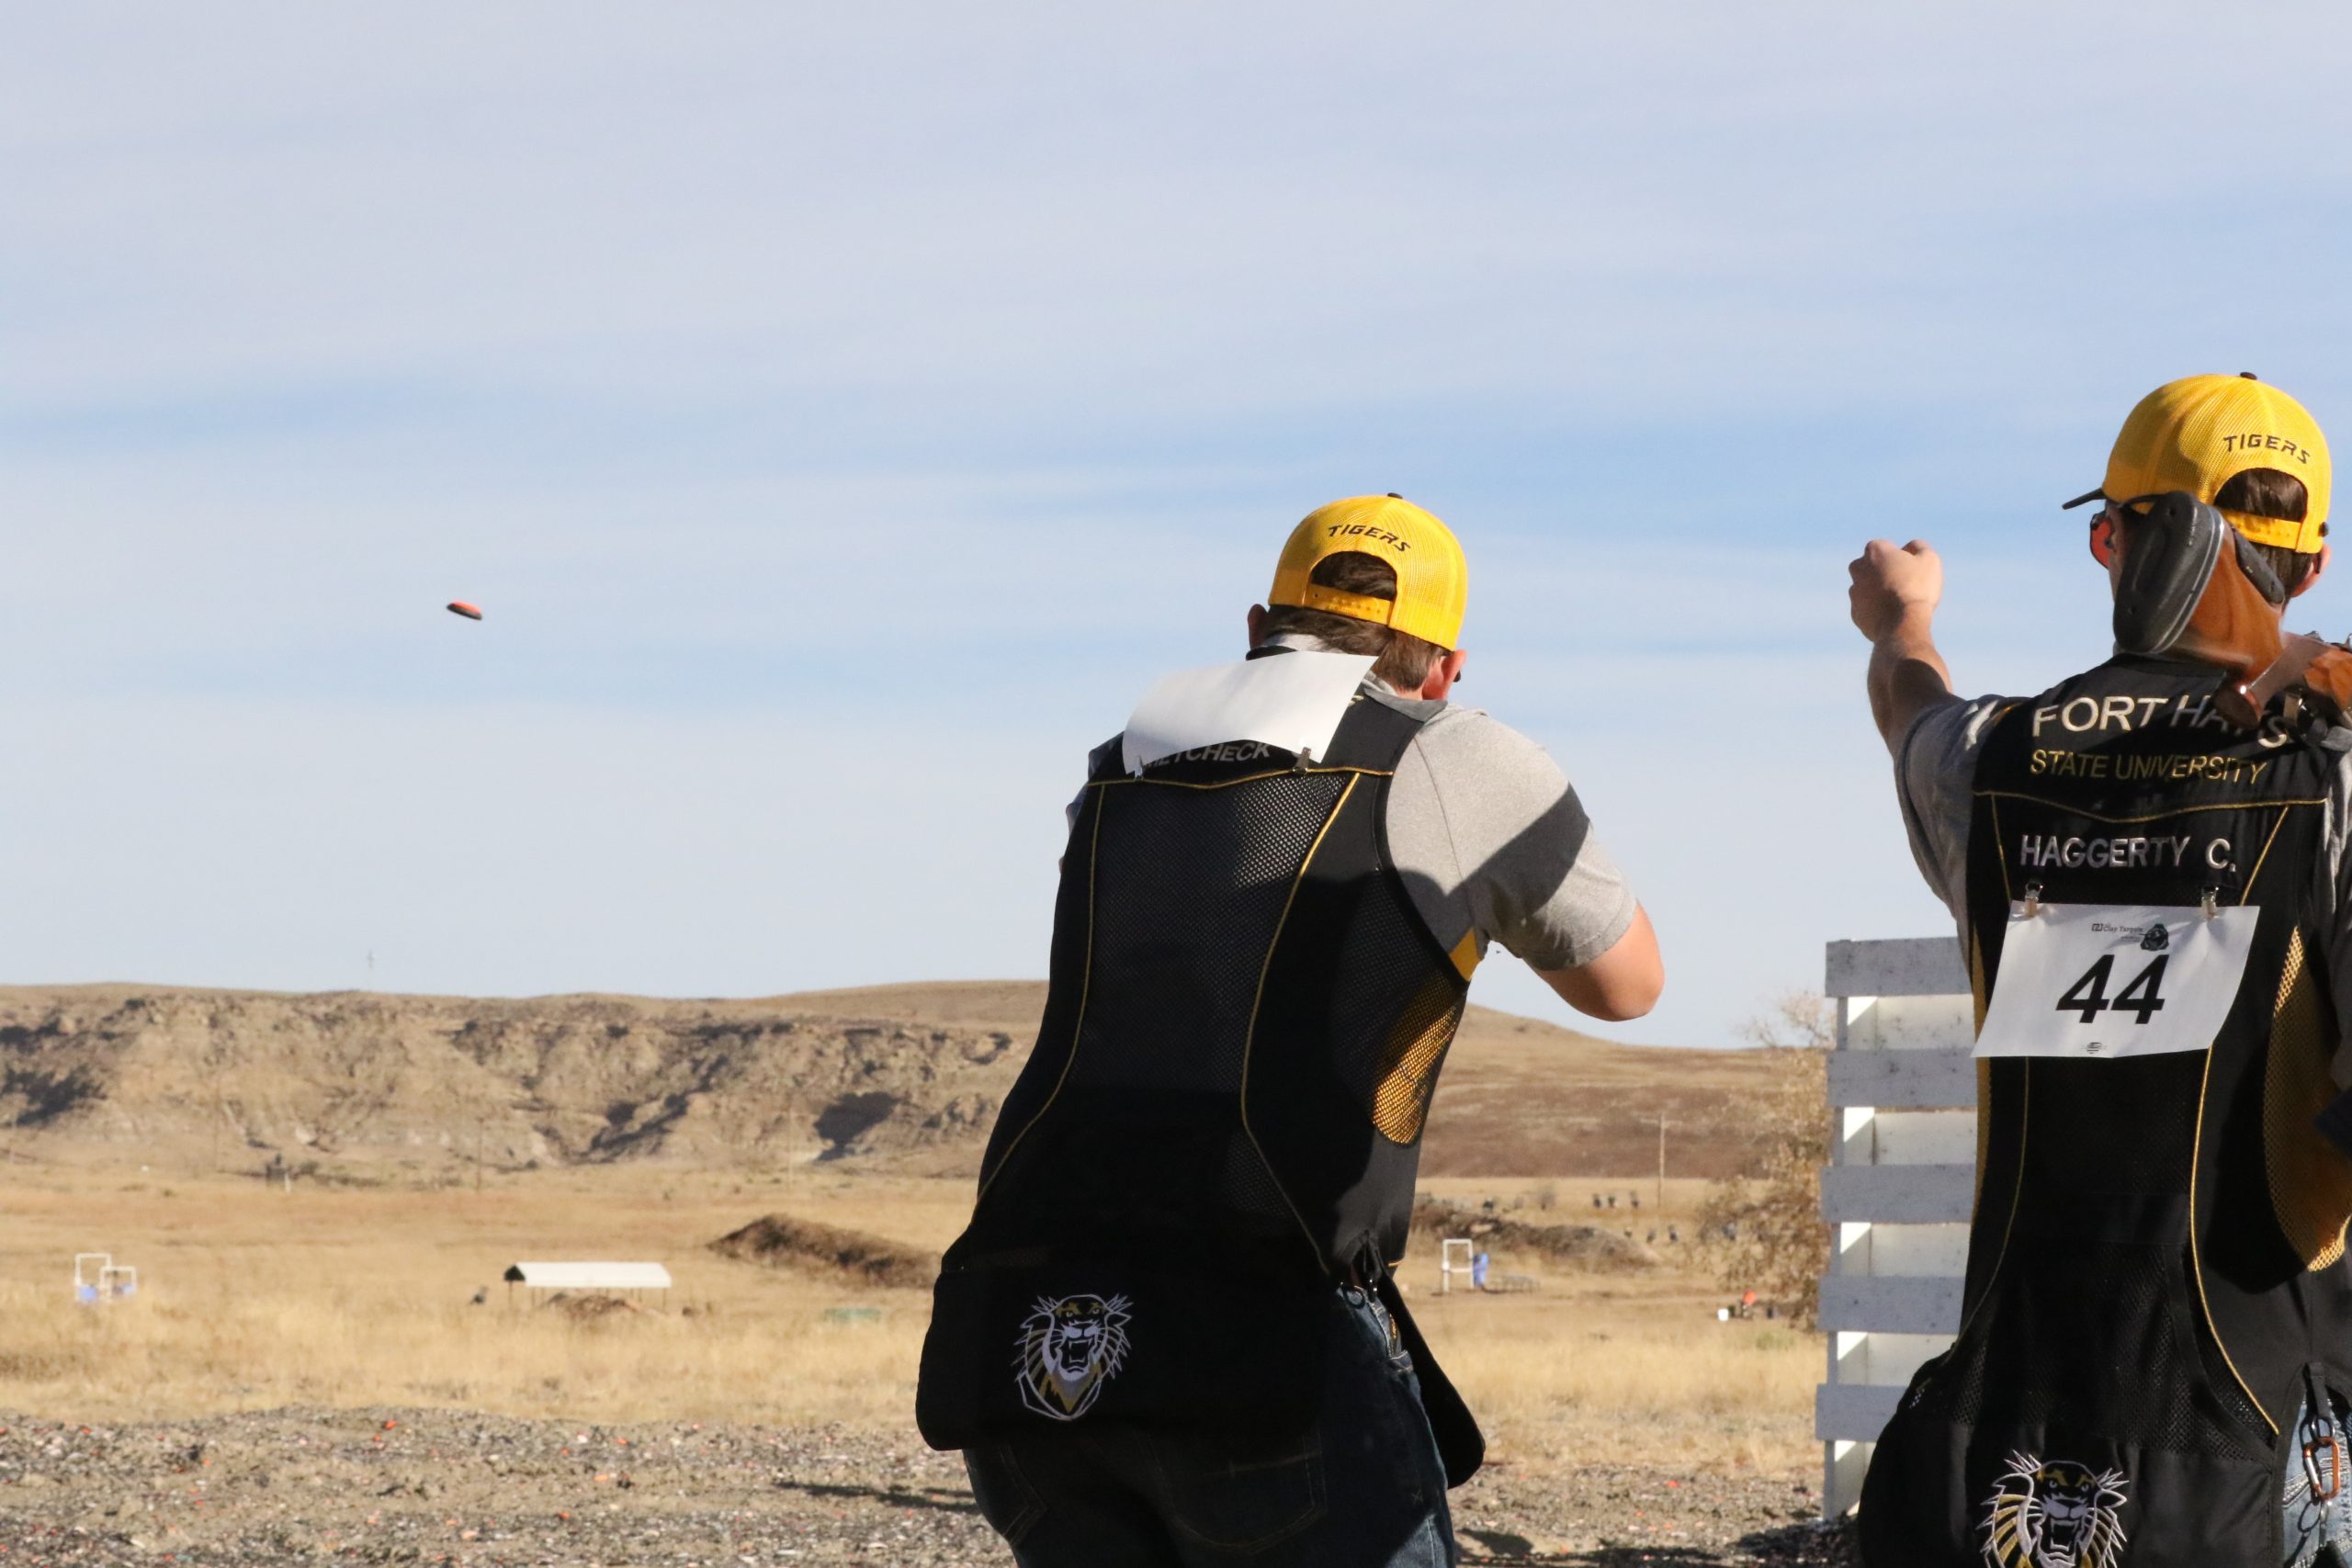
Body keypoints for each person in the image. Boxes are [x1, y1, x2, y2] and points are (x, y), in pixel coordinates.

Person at [916, 494, 1663, 1566]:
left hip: (1029, 1318)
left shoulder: (1118, 766)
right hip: (1263, 1319)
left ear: (1259, 627)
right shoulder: (1454, 755)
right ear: (1444, 668)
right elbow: (1625, 985)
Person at [1848, 374, 2352, 1565]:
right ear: (2312, 567)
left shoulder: (1990, 762)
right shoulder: (2328, 772)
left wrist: (1901, 619)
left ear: (2110, 542)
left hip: (2003, 1446)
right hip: (2254, 1440)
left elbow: (1911, 707)